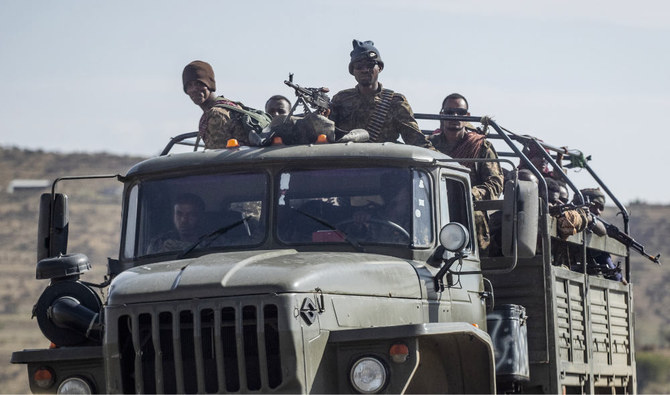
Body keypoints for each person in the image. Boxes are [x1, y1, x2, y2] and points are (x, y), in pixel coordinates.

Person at [430, 93, 503, 250]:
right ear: (442, 114)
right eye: (449, 112)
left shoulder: (480, 147)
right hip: (432, 208)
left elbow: (496, 183)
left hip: (468, 210)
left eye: (460, 113)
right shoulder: (429, 146)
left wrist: (470, 194)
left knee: (475, 219)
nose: (455, 117)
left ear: (467, 116)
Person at [329, 40, 432, 148]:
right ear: (353, 71)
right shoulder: (341, 99)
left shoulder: (394, 102)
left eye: (370, 65)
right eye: (359, 66)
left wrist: (441, 160)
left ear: (380, 68)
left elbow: (416, 140)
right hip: (346, 161)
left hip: (383, 162)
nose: (364, 70)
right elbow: (326, 135)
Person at [182, 60, 252, 148]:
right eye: (189, 85)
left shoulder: (216, 114)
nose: (194, 89)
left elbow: (217, 155)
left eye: (199, 83)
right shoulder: (228, 106)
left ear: (209, 85)